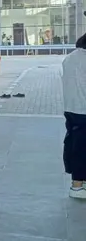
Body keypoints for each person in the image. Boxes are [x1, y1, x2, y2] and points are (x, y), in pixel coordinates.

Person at [62, 32, 86, 199]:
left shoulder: (70, 58)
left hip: (71, 109)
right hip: (84, 109)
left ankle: (77, 184)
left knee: (75, 146)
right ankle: (78, 187)